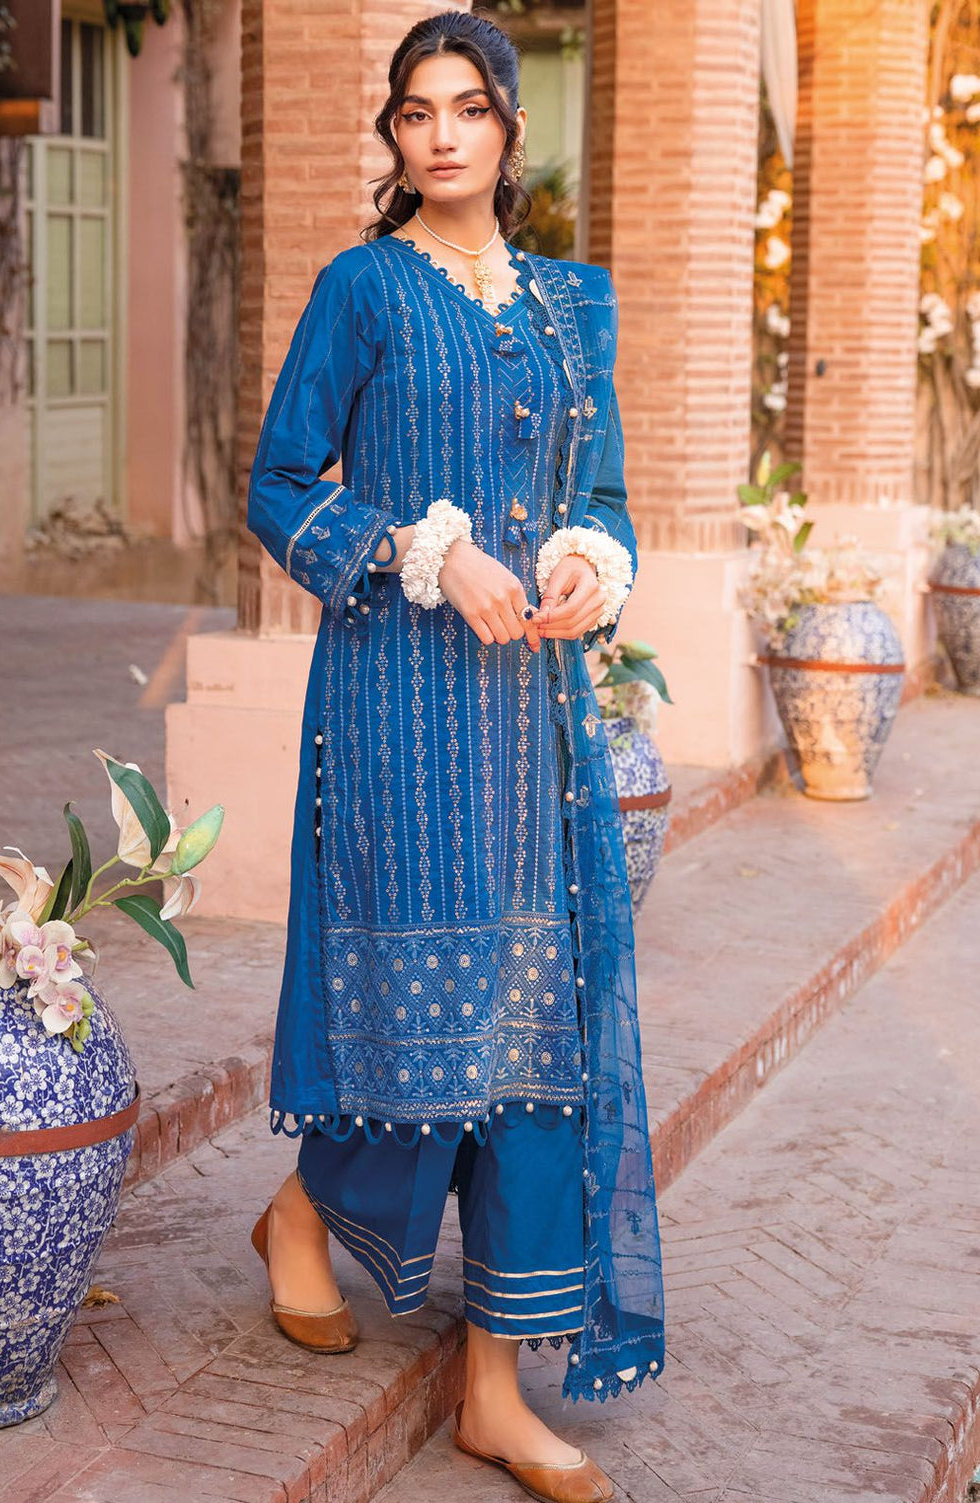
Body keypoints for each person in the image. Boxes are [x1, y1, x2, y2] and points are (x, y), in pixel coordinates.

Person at [245, 11, 665, 1501]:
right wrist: (425, 554)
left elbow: (601, 493)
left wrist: (583, 561)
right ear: (394, 134)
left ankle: (495, 1390)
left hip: (530, 719)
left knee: (535, 1031)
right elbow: (278, 485)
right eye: (415, 111)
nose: (440, 134)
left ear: (509, 130)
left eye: (467, 108)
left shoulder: (571, 303)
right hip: (396, 712)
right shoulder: (362, 289)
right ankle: (309, 1211)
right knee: (420, 1014)